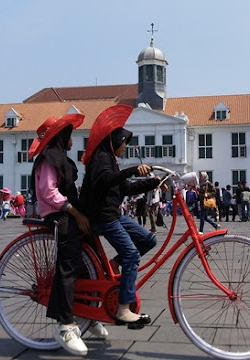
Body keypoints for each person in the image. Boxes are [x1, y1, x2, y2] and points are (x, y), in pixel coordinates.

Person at [29, 113, 106, 356]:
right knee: (69, 262)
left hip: (67, 212)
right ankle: (65, 324)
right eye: (70, 135)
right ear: (62, 137)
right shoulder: (49, 159)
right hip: (58, 216)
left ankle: (87, 308)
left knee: (92, 248)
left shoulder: (59, 157)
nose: (73, 139)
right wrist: (75, 212)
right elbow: (50, 193)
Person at [81, 104, 160, 331]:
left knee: (149, 240)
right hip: (103, 217)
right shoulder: (100, 159)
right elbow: (107, 180)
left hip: (114, 214)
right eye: (123, 143)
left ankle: (114, 265)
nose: (125, 147)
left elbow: (123, 186)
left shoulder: (110, 160)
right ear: (115, 142)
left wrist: (152, 182)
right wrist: (134, 169)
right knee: (132, 254)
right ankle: (123, 309)